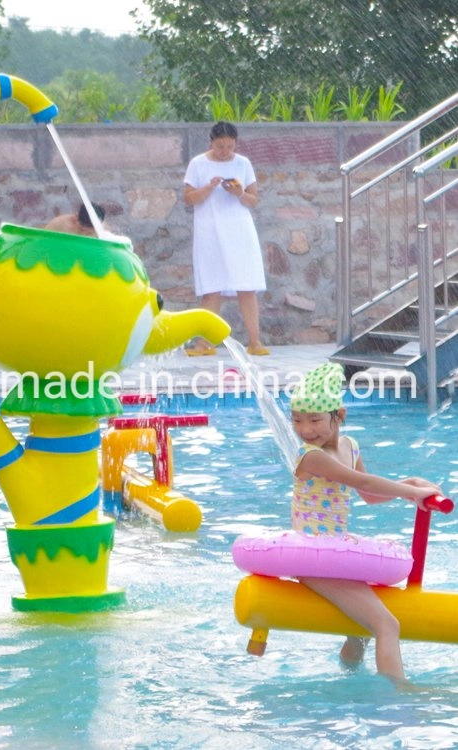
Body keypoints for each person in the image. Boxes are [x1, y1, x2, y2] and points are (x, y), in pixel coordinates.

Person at [289, 362, 442, 684]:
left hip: (334, 552)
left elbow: (367, 495)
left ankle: (350, 681)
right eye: (297, 420)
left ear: (338, 416)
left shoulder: (349, 446)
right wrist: (411, 490)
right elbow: (367, 482)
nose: (306, 430)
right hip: (313, 556)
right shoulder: (311, 457)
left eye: (315, 420)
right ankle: (398, 694)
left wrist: (409, 484)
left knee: (362, 630)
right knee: (387, 625)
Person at [183, 121, 269, 356]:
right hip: (210, 232)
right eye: (220, 146)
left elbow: (253, 199)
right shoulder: (198, 164)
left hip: (239, 231)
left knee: (246, 286)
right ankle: (204, 343)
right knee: (212, 287)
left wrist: (239, 192)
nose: (225, 151)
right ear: (211, 142)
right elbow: (189, 198)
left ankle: (255, 341)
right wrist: (209, 188)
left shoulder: (243, 163)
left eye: (229, 147)